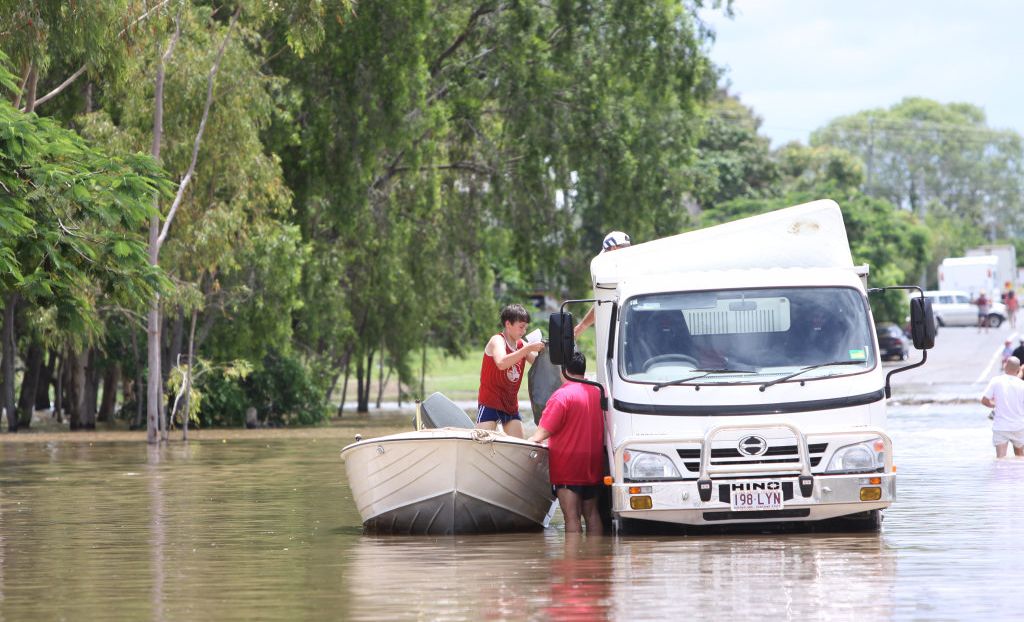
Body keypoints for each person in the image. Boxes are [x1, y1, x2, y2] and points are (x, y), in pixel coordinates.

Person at [528, 349, 605, 534]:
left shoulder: (562, 396)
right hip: (593, 463)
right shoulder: (597, 392)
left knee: (571, 517)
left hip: (568, 465)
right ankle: (597, 560)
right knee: (592, 514)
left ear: (563, 370)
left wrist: (528, 441)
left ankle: (572, 562)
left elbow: (542, 433)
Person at [476, 303, 545, 438]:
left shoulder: (522, 344)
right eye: (521, 327)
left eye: (525, 327)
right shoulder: (497, 340)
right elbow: (501, 363)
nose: (524, 331)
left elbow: (539, 364)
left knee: (519, 448)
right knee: (480, 445)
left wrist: (546, 350)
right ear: (508, 324)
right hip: (490, 402)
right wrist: (527, 349)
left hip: (510, 405)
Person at [574, 231, 631, 337]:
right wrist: (581, 326)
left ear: (613, 248)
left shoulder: (617, 272)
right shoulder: (636, 265)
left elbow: (604, 301)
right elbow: (603, 302)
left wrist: (581, 327)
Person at [980, 356, 1024, 458]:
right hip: (1019, 426)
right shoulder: (1022, 384)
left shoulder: (996, 381)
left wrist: (995, 405)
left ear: (1005, 366)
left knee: (1001, 459)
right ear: (1018, 369)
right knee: (1020, 458)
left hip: (1001, 426)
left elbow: (984, 400)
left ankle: (1002, 474)